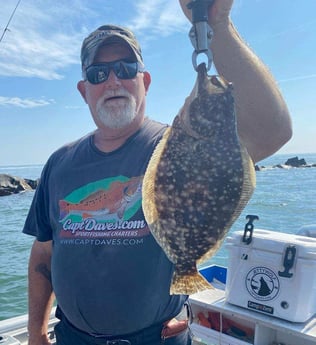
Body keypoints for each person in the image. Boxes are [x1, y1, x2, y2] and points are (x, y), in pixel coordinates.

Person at [23, 1, 292, 344]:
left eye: (125, 67)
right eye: (97, 74)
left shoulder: (175, 147)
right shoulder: (59, 163)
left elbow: (273, 130)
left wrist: (218, 27)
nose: (112, 80)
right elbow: (43, 253)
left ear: (145, 81)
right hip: (73, 338)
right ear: (83, 91)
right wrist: (35, 331)